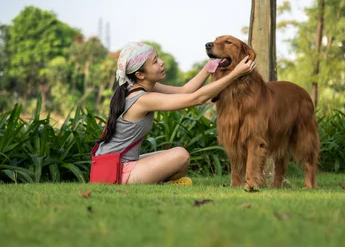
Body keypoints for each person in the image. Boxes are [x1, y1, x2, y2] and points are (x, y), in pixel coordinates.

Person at [95, 41, 256, 185]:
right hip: (118, 171)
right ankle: (155, 183)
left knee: (178, 158)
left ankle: (158, 183)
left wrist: (210, 67)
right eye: (155, 61)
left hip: (120, 164)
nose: (162, 62)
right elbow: (195, 99)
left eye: (158, 57)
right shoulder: (142, 99)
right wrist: (235, 74)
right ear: (140, 74)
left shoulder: (139, 87)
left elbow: (185, 91)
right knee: (181, 156)